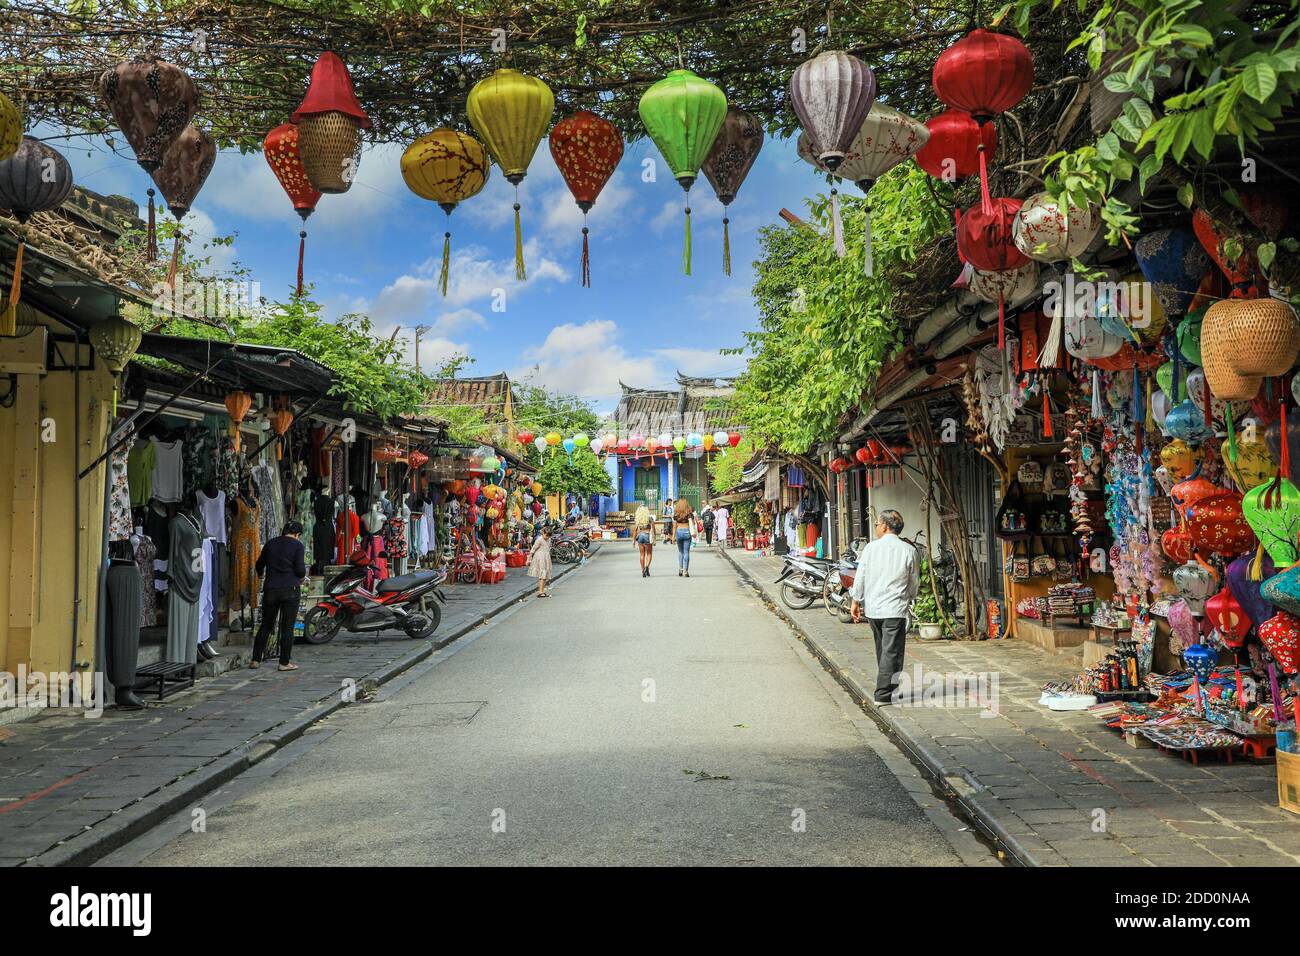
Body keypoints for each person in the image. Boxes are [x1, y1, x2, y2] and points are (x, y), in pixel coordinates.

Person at [849, 510, 920, 705]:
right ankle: (883, 693)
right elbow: (914, 580)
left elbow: (860, 576)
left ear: (884, 526)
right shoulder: (908, 550)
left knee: (884, 649)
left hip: (874, 608)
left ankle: (889, 689)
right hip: (894, 608)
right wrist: (911, 597)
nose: (876, 528)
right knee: (891, 651)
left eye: (876, 524)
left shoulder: (871, 549)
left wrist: (856, 600)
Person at [251, 519, 308, 671]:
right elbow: (300, 570)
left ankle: (255, 659)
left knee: (266, 625)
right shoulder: (298, 545)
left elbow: (259, 565)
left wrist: (261, 575)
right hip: (290, 589)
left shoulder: (271, 543)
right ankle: (284, 662)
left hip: (271, 589)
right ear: (297, 534)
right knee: (287, 627)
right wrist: (301, 579)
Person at [528, 525, 554, 598]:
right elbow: (533, 549)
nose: (547, 537)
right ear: (543, 533)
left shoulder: (549, 539)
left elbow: (548, 547)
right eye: (546, 535)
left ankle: (542, 590)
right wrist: (529, 559)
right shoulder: (539, 539)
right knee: (542, 575)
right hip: (540, 558)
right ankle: (540, 592)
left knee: (545, 575)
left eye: (549, 536)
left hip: (546, 557)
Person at [672, 498, 695, 577]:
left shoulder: (676, 514)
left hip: (679, 532)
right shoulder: (689, 513)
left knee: (680, 552)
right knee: (686, 552)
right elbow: (693, 523)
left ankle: (680, 569)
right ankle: (686, 571)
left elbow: (674, 526)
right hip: (687, 532)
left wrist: (673, 537)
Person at [634, 503, 654, 577]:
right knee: (649, 553)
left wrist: (633, 541)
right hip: (648, 535)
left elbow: (635, 530)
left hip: (640, 536)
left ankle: (643, 571)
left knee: (642, 554)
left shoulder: (638, 519)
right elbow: (653, 528)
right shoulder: (650, 518)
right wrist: (654, 538)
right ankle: (647, 567)